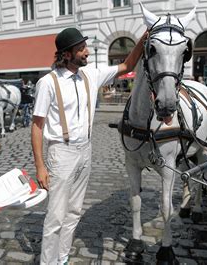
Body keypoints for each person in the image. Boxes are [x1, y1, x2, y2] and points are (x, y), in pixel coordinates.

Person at [31, 27, 147, 264]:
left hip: (86, 150)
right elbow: (37, 126)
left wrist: (143, 41)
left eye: (85, 47)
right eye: (81, 48)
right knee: (55, 216)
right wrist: (40, 166)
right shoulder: (47, 83)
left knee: (74, 212)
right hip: (60, 153)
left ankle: (61, 258)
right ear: (66, 54)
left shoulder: (91, 75)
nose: (87, 52)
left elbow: (126, 66)